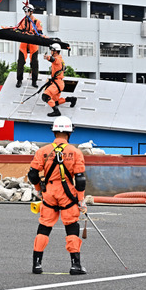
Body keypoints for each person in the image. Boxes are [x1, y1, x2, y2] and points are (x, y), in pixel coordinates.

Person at [27, 116, 87, 275]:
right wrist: (81, 200)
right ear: (69, 133)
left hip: (49, 195)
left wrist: (39, 188)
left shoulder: (43, 151)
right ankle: (75, 265)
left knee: (44, 228)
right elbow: (80, 180)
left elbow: (32, 174)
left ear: (54, 131)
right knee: (72, 228)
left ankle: (37, 265)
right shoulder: (75, 152)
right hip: (68, 195)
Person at [42, 43, 77, 117]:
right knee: (55, 102)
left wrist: (47, 57)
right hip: (59, 83)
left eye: (51, 50)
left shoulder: (58, 59)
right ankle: (71, 99)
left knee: (45, 96)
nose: (50, 52)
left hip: (57, 83)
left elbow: (53, 60)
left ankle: (56, 111)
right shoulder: (61, 60)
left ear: (55, 51)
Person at [15, 4, 43, 88]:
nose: (25, 13)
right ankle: (19, 80)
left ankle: (34, 81)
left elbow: (40, 32)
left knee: (34, 62)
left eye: (27, 11)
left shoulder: (37, 21)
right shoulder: (23, 21)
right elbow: (19, 29)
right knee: (20, 62)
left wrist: (33, 33)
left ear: (31, 12)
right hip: (24, 42)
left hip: (33, 43)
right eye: (25, 11)